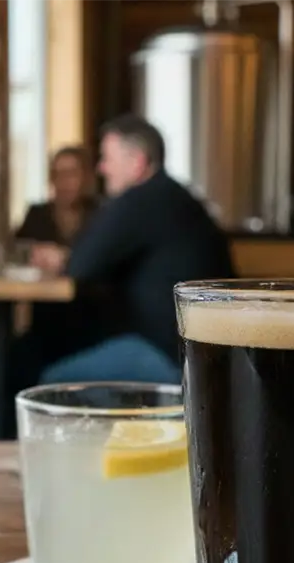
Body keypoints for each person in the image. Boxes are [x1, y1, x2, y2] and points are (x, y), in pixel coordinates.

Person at [24, 113, 236, 386]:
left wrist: (62, 258)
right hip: (201, 351)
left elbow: (81, 266)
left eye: (107, 158)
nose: (101, 168)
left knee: (50, 382)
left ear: (136, 162)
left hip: (169, 354)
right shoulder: (171, 197)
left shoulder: (141, 200)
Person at [13, 146, 98, 247]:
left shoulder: (100, 215)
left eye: (70, 174)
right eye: (57, 174)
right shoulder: (37, 215)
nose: (63, 181)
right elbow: (16, 251)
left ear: (85, 178)